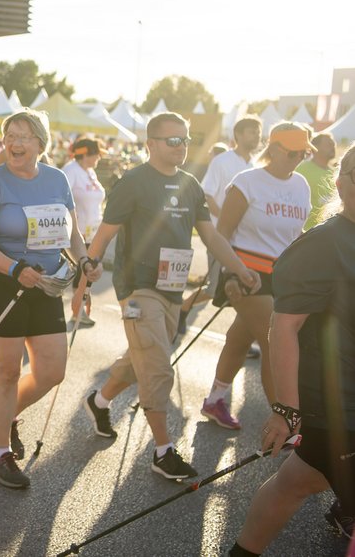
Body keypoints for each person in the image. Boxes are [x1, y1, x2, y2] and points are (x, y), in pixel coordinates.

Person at [81, 112, 259, 480]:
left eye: (185, 140)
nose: (181, 147)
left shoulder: (191, 185)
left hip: (172, 290)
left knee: (140, 359)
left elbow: (210, 236)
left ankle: (99, 402)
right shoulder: (132, 182)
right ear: (151, 144)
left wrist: (239, 268)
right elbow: (106, 232)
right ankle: (162, 450)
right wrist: (88, 268)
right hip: (137, 289)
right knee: (158, 366)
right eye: (172, 140)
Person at [227, 143, 355, 556]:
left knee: (297, 482)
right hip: (338, 407)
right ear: (340, 181)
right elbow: (283, 329)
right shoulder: (323, 245)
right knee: (298, 481)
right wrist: (287, 409)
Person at [0, 109, 102, 489]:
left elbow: (72, 235)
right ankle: (0, 454)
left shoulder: (58, 179)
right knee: (8, 370)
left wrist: (85, 261)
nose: (15, 142)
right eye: (10, 134)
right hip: (3, 282)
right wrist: (14, 269)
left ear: (41, 144)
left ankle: (6, 414)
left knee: (52, 371)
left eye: (24, 135)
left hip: (46, 283)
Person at [200, 122, 313, 430]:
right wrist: (232, 273)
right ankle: (287, 421)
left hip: (283, 274)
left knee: (240, 336)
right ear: (274, 149)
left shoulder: (301, 184)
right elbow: (221, 233)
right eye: (292, 153)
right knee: (274, 342)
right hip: (247, 271)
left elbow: (295, 232)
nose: (299, 158)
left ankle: (214, 400)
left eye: (304, 152)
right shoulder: (246, 182)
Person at [179, 115, 263, 333]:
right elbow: (207, 195)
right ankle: (181, 308)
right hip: (220, 236)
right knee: (215, 287)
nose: (257, 136)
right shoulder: (222, 161)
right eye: (252, 131)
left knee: (244, 288)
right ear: (238, 135)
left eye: (259, 132)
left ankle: (247, 335)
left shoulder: (256, 165)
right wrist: (229, 221)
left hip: (246, 240)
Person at [63, 137, 106, 328]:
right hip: (76, 233)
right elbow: (61, 198)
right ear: (85, 154)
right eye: (96, 153)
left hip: (93, 233)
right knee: (81, 272)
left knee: (86, 273)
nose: (99, 157)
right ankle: (77, 311)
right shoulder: (71, 171)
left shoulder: (90, 172)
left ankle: (80, 310)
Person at [296, 132, 337, 231]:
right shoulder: (301, 170)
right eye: (328, 144)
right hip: (307, 231)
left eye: (333, 144)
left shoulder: (336, 173)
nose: (333, 147)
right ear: (314, 148)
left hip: (330, 231)